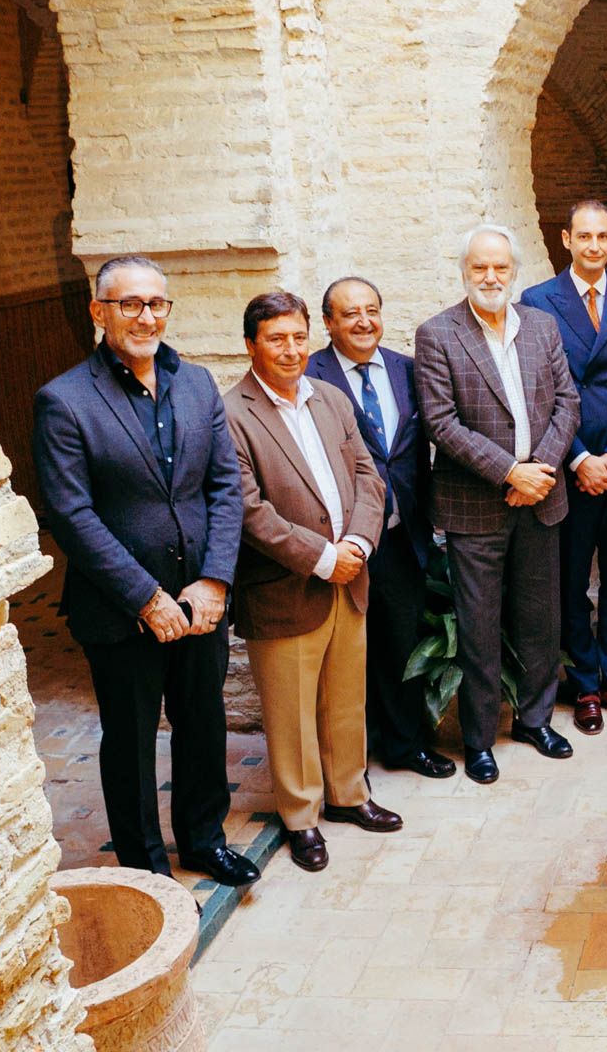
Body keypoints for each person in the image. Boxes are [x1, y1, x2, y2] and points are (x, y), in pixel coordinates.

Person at [31, 256, 259, 887]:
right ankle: (145, 869)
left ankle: (204, 841)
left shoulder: (196, 385)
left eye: (157, 303)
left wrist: (214, 580)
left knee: (201, 723)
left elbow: (223, 486)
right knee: (130, 744)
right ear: (98, 311)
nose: (146, 316)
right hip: (120, 608)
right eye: (129, 304)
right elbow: (71, 516)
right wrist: (146, 597)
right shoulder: (65, 400)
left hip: (200, 600)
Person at [224, 291, 398, 873]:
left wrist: (358, 544)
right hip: (286, 586)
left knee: (345, 699)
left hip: (349, 575)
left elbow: (369, 476)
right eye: (277, 339)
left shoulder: (329, 398)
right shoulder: (233, 414)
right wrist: (323, 557)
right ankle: (301, 817)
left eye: (299, 337)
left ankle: (349, 794)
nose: (291, 349)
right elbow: (249, 511)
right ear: (251, 345)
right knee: (291, 711)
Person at [414, 225, 582, 785]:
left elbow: (567, 403)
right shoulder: (437, 334)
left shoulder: (541, 326)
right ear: (464, 271)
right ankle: (480, 738)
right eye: (480, 268)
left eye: (501, 268)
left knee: (539, 620)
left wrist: (540, 474)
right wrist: (510, 471)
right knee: (479, 628)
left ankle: (535, 720)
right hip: (474, 507)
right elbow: (441, 423)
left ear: (515, 272)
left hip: (540, 500)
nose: (491, 277)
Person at [520, 199, 607, 735]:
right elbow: (538, 390)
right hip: (567, 463)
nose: (596, 246)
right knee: (572, 580)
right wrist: (579, 457)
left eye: (604, 236)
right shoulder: (537, 301)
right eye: (585, 236)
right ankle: (584, 682)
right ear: (566, 239)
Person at [307, 277, 452, 780]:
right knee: (343, 653)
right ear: (328, 323)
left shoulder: (407, 369)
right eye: (350, 314)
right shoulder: (309, 376)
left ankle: (404, 745)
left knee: (400, 641)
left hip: (403, 532)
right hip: (342, 539)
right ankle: (348, 758)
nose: (364, 321)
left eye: (372, 310)